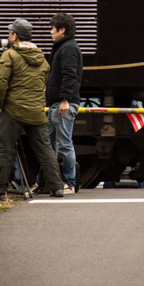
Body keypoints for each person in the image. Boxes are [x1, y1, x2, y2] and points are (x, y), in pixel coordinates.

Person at [0, 19, 64, 199]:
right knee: (45, 149)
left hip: (13, 110)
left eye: (10, 33)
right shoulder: (41, 58)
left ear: (14, 36)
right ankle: (57, 187)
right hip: (36, 110)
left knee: (4, 150)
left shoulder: (9, 55)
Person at [44, 12, 83, 195]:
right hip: (56, 104)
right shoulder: (63, 47)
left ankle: (69, 183)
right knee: (49, 145)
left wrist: (65, 99)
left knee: (65, 144)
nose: (51, 31)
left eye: (53, 28)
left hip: (62, 104)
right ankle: (49, 182)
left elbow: (70, 75)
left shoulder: (68, 48)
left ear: (62, 30)